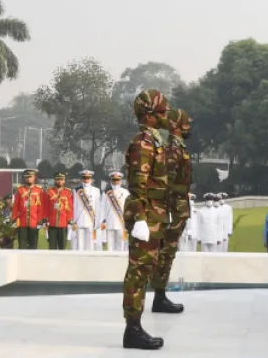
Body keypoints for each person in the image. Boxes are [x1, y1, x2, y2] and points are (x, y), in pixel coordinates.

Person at [121, 89, 170, 350]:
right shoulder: (143, 144)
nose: (165, 116)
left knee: (145, 271)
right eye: (161, 112)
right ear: (149, 116)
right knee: (138, 273)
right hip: (146, 215)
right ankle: (133, 329)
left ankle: (135, 327)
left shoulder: (154, 141)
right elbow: (138, 185)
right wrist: (139, 217)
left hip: (154, 214)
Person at [149, 108, 193, 313]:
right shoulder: (174, 148)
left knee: (168, 252)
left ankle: (160, 295)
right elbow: (165, 180)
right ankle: (159, 297)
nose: (189, 126)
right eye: (186, 122)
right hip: (173, 208)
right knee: (166, 253)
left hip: (176, 208)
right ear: (177, 125)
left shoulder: (178, 146)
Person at [11, 169, 45, 250]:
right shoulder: (20, 190)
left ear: (34, 178)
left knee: (33, 246)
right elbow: (16, 206)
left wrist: (40, 220)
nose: (28, 179)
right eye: (26, 177)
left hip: (34, 222)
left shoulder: (39, 190)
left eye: (30, 177)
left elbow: (40, 207)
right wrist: (14, 218)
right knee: (22, 246)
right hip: (22, 222)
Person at [99, 171, 129, 252]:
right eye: (114, 180)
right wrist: (102, 221)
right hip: (109, 222)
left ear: (121, 181)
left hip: (121, 223)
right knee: (110, 247)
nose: (116, 182)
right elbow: (102, 208)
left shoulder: (125, 193)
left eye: (117, 180)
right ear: (111, 181)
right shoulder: (106, 193)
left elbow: (128, 208)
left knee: (121, 246)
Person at [73, 170, 101, 251]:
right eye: (84, 178)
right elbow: (74, 206)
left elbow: (98, 208)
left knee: (90, 245)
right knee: (80, 245)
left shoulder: (96, 190)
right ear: (81, 179)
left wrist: (97, 221)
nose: (86, 180)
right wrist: (74, 221)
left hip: (91, 220)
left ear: (91, 179)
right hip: (80, 220)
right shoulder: (76, 190)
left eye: (88, 178)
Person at [45, 172, 74, 250]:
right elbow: (46, 207)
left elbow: (70, 208)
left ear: (64, 181)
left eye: (61, 179)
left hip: (63, 224)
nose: (59, 181)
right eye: (57, 179)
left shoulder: (68, 192)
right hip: (52, 224)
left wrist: (69, 220)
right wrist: (45, 220)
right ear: (54, 180)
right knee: (52, 247)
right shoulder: (49, 191)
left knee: (62, 248)